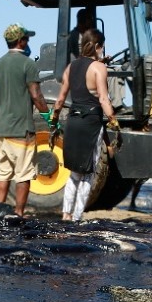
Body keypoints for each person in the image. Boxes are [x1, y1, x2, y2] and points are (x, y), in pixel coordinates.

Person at [50, 29, 119, 221]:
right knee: (88, 173)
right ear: (97, 46)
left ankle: (66, 214)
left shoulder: (70, 67)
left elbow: (60, 100)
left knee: (74, 173)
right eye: (102, 47)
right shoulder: (99, 68)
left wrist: (53, 121)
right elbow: (104, 99)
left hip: (73, 122)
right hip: (91, 123)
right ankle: (77, 216)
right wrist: (114, 121)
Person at [0, 23, 50, 217]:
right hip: (22, 131)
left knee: (3, 173)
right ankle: (19, 213)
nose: (28, 42)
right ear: (20, 41)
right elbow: (36, 95)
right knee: (23, 175)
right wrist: (49, 118)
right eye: (26, 39)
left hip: (1, 130)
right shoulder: (28, 64)